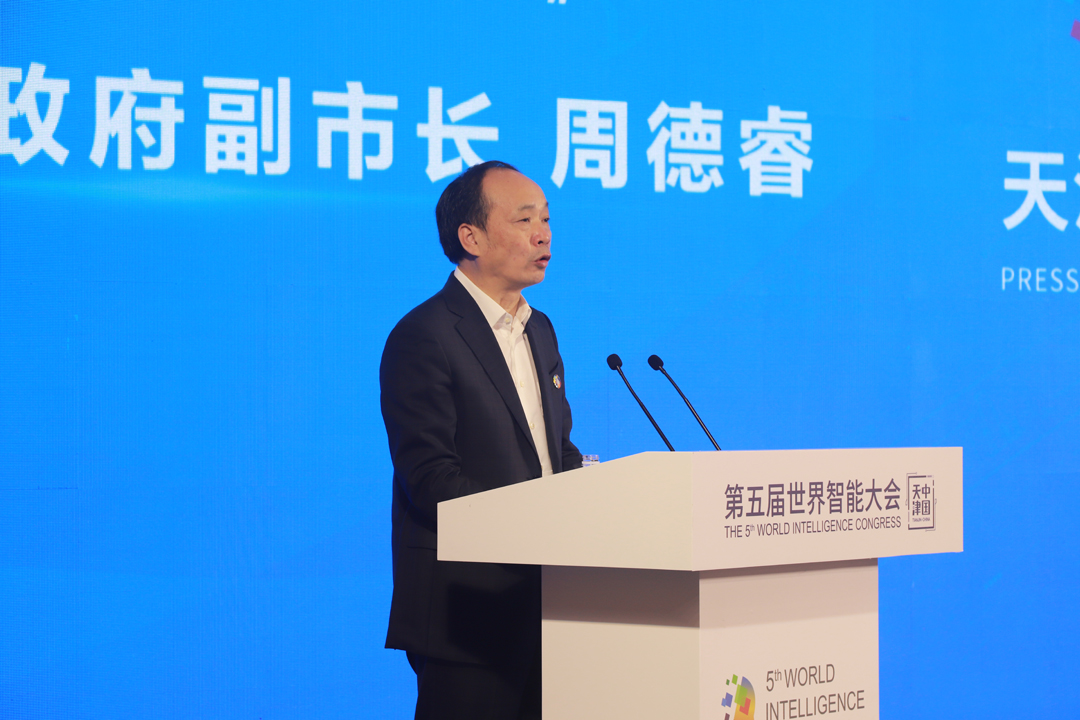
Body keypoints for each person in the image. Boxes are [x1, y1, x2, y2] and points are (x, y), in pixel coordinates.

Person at [380, 160, 583, 720]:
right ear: (470, 237)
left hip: (548, 604)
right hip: (466, 613)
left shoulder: (540, 330)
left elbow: (557, 450)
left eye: (546, 219)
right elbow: (431, 480)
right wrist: (536, 522)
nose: (543, 235)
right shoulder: (424, 335)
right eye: (524, 220)